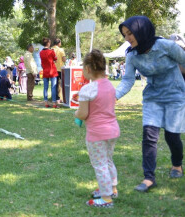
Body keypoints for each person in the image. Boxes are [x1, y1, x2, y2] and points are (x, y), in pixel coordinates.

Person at [117, 16, 185, 192]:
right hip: (152, 97)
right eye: (125, 35)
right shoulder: (132, 56)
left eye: (130, 33)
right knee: (149, 135)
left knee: (172, 136)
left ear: (142, 30)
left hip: (175, 95)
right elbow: (127, 80)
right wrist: (112, 96)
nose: (127, 38)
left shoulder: (166, 46)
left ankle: (177, 165)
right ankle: (149, 178)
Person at [75, 49, 120, 208]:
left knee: (100, 164)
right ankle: (112, 189)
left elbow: (82, 114)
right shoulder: (110, 85)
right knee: (108, 160)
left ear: (87, 69)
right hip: (113, 130)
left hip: (97, 134)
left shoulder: (87, 89)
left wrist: (76, 112)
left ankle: (106, 198)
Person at [40, 37, 58, 108]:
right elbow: (55, 59)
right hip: (52, 71)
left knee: (45, 87)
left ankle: (46, 102)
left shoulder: (41, 52)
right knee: (53, 87)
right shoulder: (51, 51)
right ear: (48, 43)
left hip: (45, 71)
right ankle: (54, 103)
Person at [51, 38, 66, 104]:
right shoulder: (61, 50)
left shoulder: (51, 49)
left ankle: (55, 98)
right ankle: (63, 98)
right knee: (63, 84)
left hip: (53, 69)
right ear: (59, 43)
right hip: (60, 69)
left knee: (54, 84)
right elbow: (64, 59)